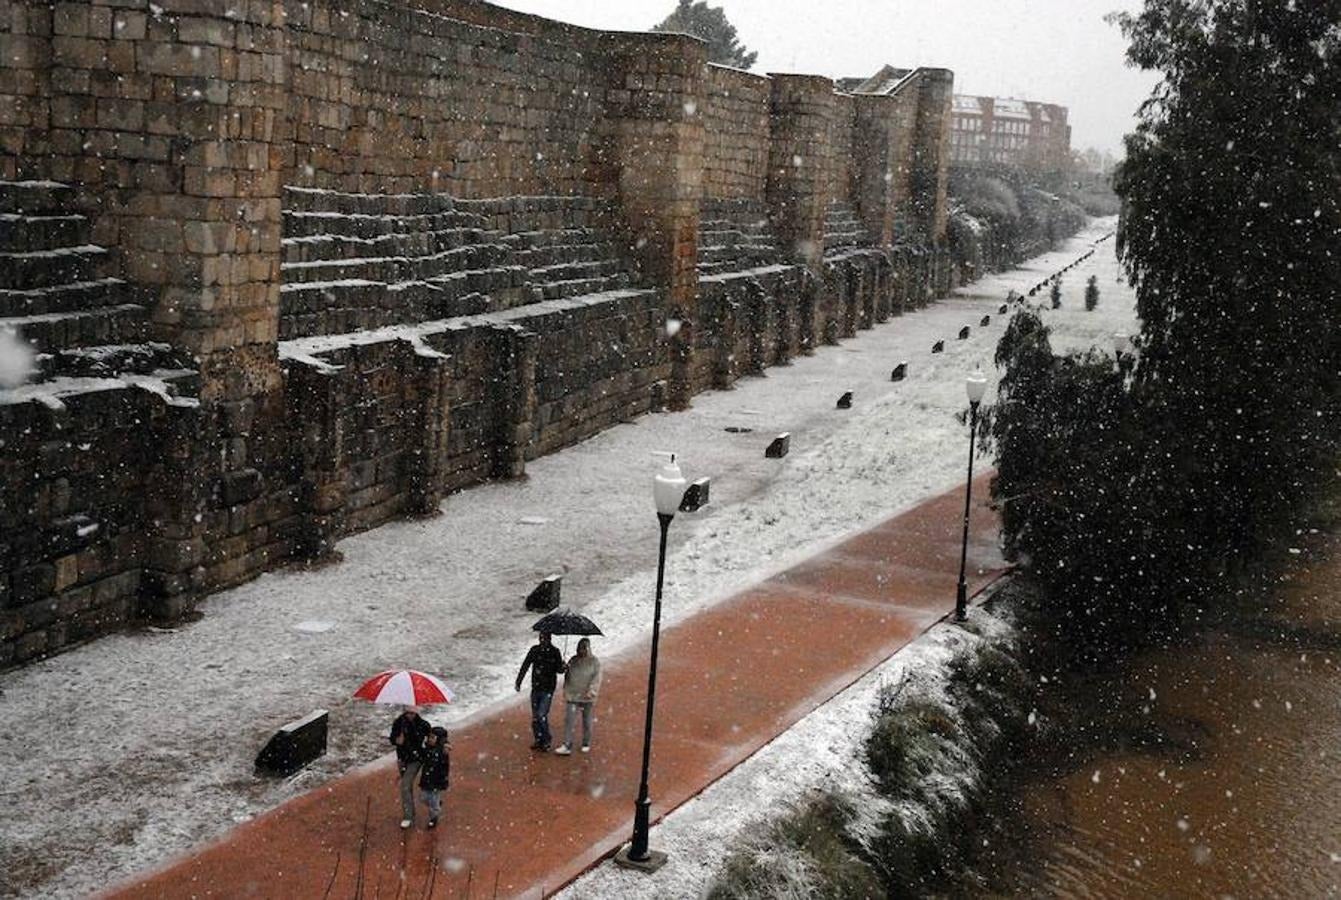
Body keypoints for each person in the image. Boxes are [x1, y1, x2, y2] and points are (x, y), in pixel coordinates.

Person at [515, 632, 566, 751]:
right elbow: (525, 665)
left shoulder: (555, 652)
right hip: (536, 687)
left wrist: (563, 667)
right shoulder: (535, 650)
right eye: (541, 638)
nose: (542, 640)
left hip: (548, 688)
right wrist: (519, 681)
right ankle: (538, 739)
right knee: (535, 716)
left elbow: (559, 670)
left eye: (544, 638)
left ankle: (547, 739)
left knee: (541, 714)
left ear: (550, 639)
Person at [554, 637, 602, 755]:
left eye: (584, 648)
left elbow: (597, 678)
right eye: (580, 648)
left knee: (587, 721)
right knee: (569, 721)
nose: (581, 650)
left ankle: (586, 742)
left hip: (587, 697)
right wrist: (563, 667)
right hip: (573, 695)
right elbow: (565, 673)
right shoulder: (573, 660)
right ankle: (567, 744)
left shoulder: (595, 662)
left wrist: (592, 691)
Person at [389, 705, 430, 828]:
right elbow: (392, 738)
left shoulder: (423, 725)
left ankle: (408, 816)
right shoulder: (398, 723)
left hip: (416, 759)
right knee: (407, 787)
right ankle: (411, 811)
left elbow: (432, 738)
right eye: (408, 713)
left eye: (412, 713)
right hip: (402, 759)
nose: (410, 716)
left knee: (405, 785)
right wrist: (396, 740)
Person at [419, 726, 451, 829]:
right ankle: (437, 804)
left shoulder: (442, 752)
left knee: (433, 800)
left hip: (436, 780)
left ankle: (434, 818)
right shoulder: (428, 749)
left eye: (433, 738)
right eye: (429, 737)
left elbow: (445, 767)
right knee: (423, 798)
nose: (430, 740)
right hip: (426, 778)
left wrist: (442, 779)